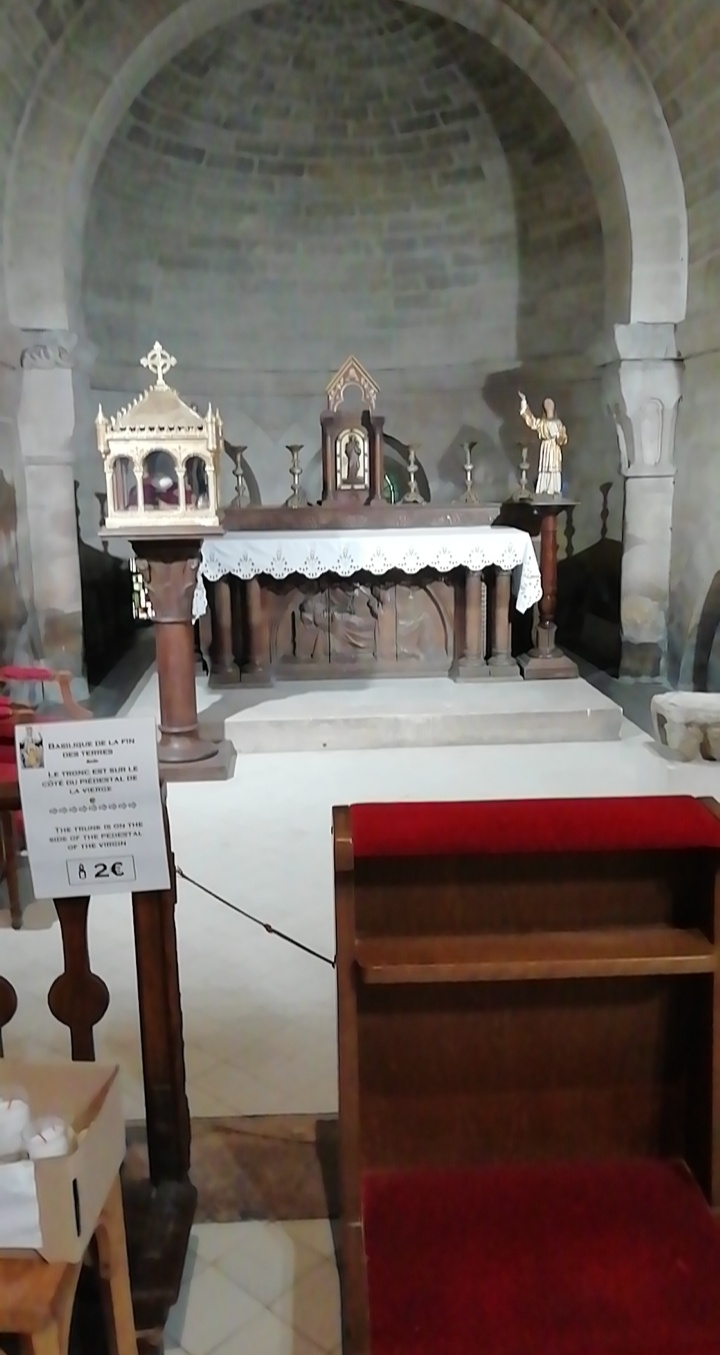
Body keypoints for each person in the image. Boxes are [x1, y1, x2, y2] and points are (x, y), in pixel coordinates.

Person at [518, 392, 567, 497]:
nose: (549, 407)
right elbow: (531, 421)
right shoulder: (542, 423)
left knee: (554, 468)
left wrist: (559, 436)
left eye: (550, 405)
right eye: (547, 405)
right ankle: (544, 488)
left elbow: (563, 438)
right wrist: (524, 402)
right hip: (546, 447)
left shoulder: (558, 423)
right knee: (545, 468)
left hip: (554, 447)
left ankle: (554, 489)